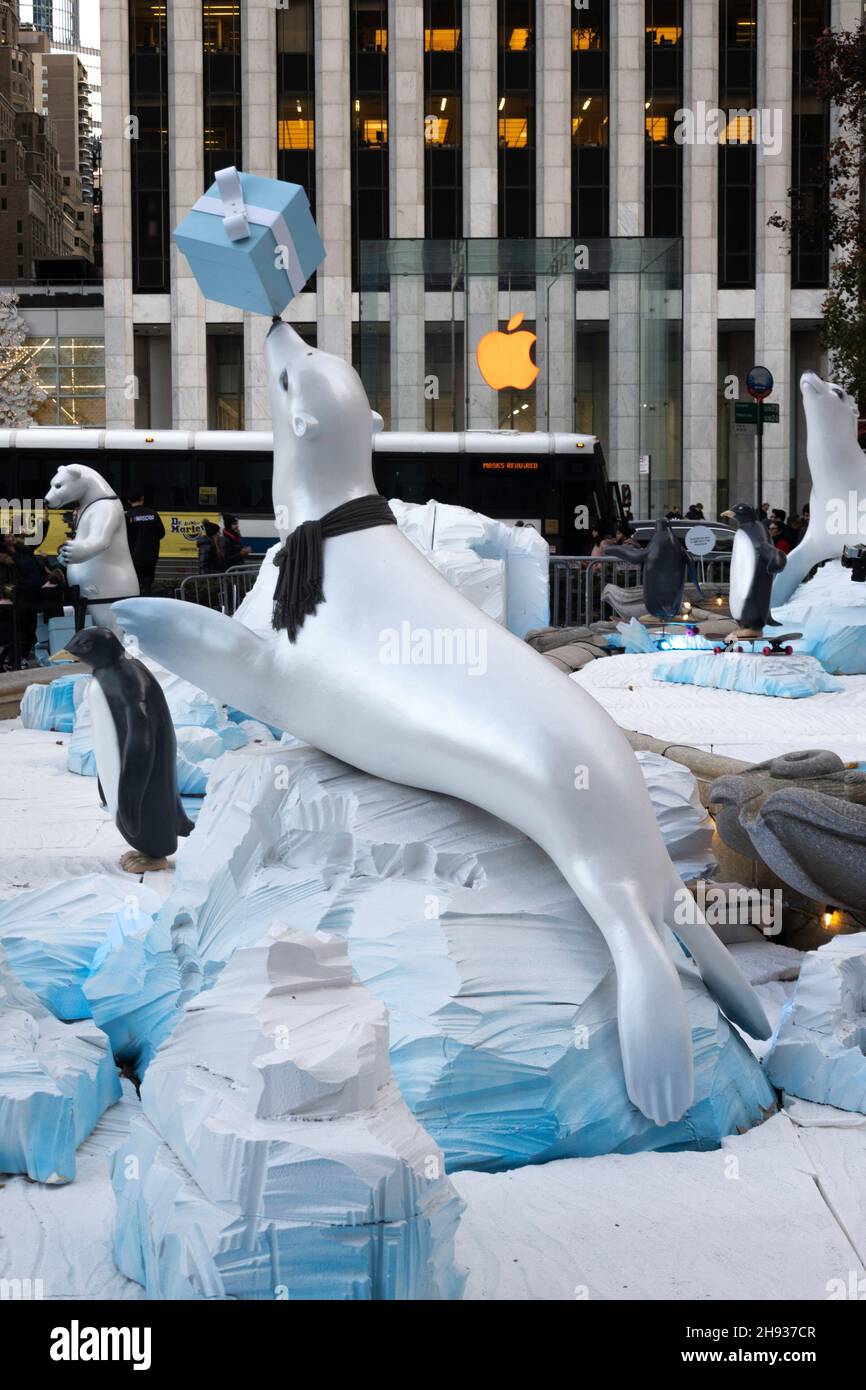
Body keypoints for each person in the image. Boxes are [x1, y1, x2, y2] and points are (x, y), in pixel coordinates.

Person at [126, 493, 165, 596]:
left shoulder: (128, 516)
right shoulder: (153, 514)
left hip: (134, 557)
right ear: (142, 498)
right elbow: (161, 534)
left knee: (135, 584)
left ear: (129, 501)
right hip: (151, 557)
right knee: (148, 583)